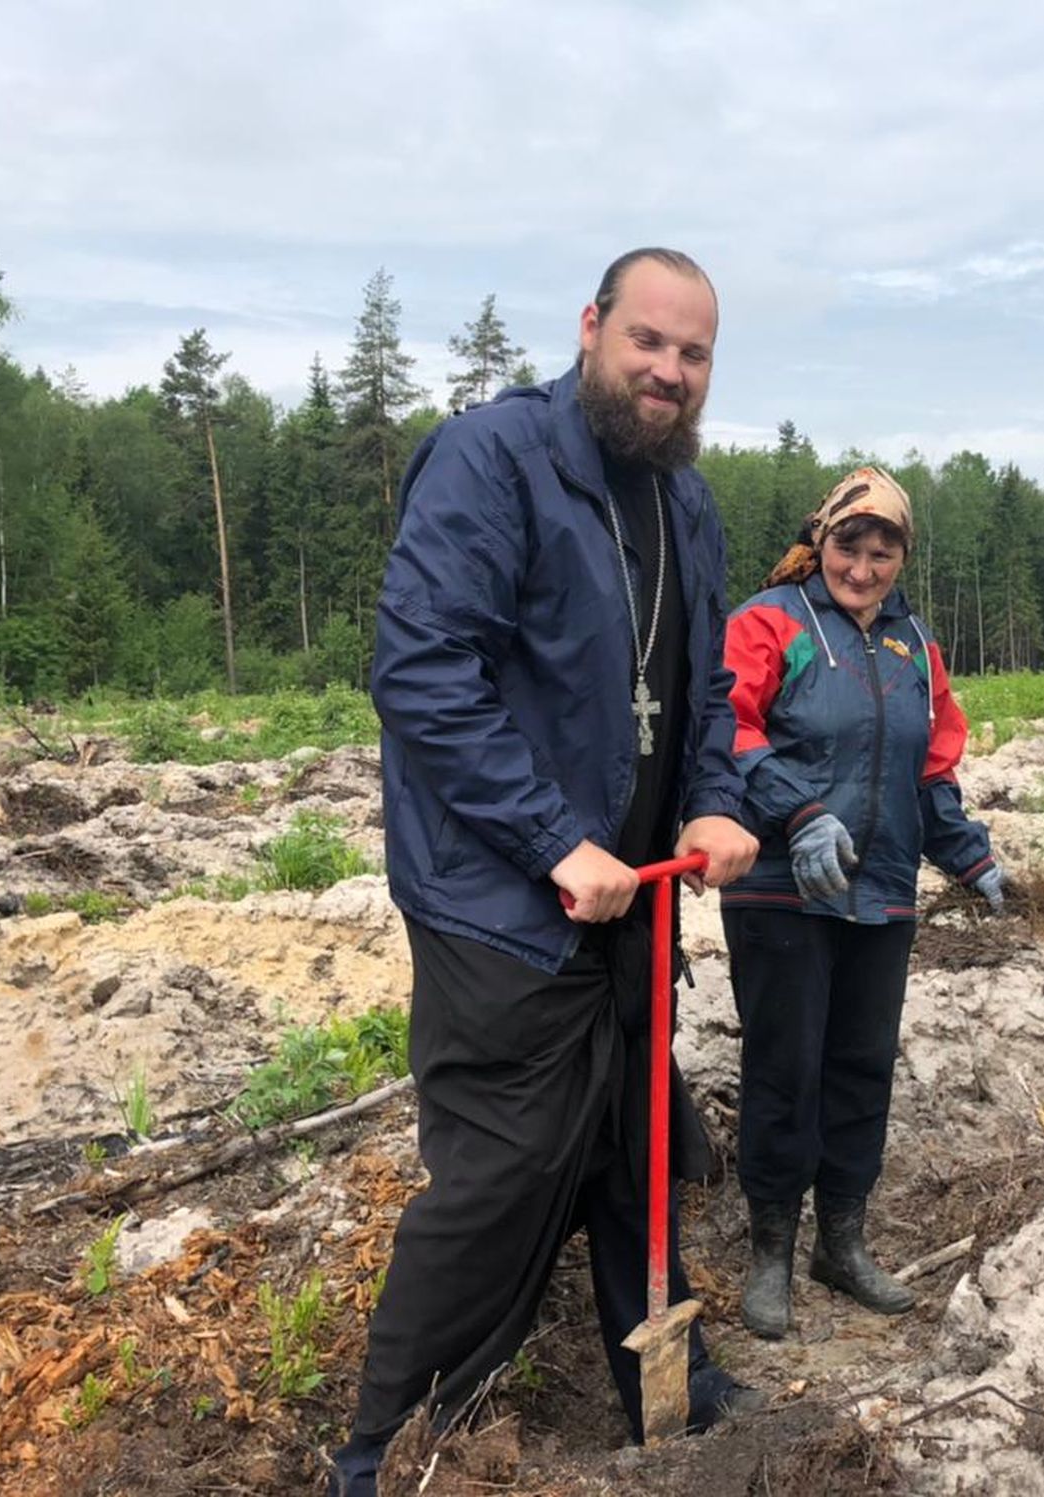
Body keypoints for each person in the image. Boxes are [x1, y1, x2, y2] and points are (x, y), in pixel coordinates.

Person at [331, 249, 763, 1496]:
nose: (667, 372)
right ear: (590, 328)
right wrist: (550, 840)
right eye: (647, 342)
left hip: (634, 902)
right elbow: (422, 672)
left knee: (635, 1145)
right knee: (504, 1173)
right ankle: (387, 1451)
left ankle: (664, 1382)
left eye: (692, 354)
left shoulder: (685, 505)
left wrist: (715, 802)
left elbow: (706, 692)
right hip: (499, 907)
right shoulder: (492, 461)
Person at [720, 466, 1003, 1341]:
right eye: (850, 546)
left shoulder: (914, 645)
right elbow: (729, 731)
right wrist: (796, 814)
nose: (864, 568)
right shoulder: (769, 622)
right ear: (822, 540)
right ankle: (771, 1250)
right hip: (782, 889)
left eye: (884, 553)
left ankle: (840, 1242)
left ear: (902, 559)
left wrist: (968, 854)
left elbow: (931, 765)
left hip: (881, 891)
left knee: (861, 1067)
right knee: (784, 1068)